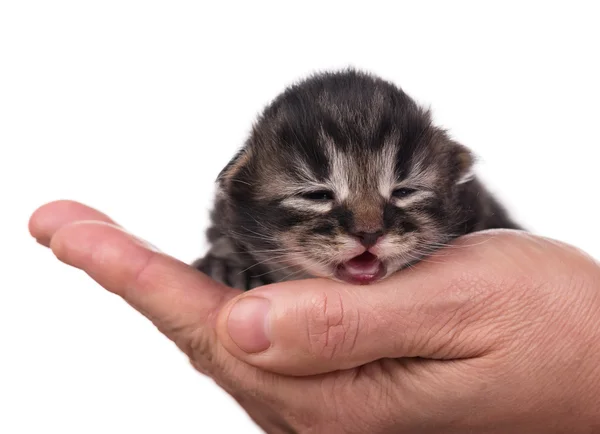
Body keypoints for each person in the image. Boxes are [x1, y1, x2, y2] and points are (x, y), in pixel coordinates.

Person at [29, 200, 600, 433]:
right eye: (314, 196)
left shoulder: (470, 220)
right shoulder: (241, 237)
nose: (369, 227)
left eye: (403, 191)